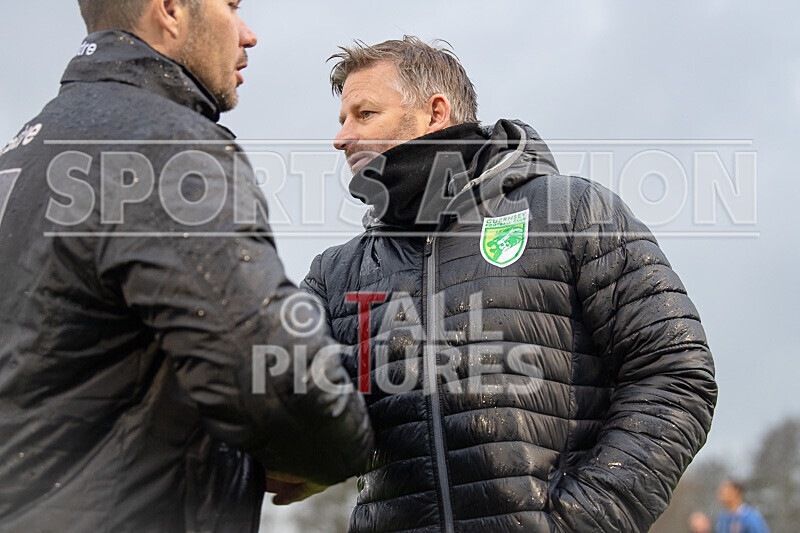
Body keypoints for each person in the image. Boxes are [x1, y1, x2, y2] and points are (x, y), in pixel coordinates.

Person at [300, 36, 718, 532]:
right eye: (342, 120)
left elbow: (676, 372)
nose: (341, 138)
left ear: (435, 112)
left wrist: (582, 522)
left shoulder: (572, 212)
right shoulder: (335, 273)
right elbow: (279, 390)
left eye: (364, 114)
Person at [0, 1, 373, 531]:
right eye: (231, 6)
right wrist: (343, 451)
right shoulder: (166, 149)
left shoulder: (22, 155)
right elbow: (270, 377)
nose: (248, 34)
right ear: (171, 10)